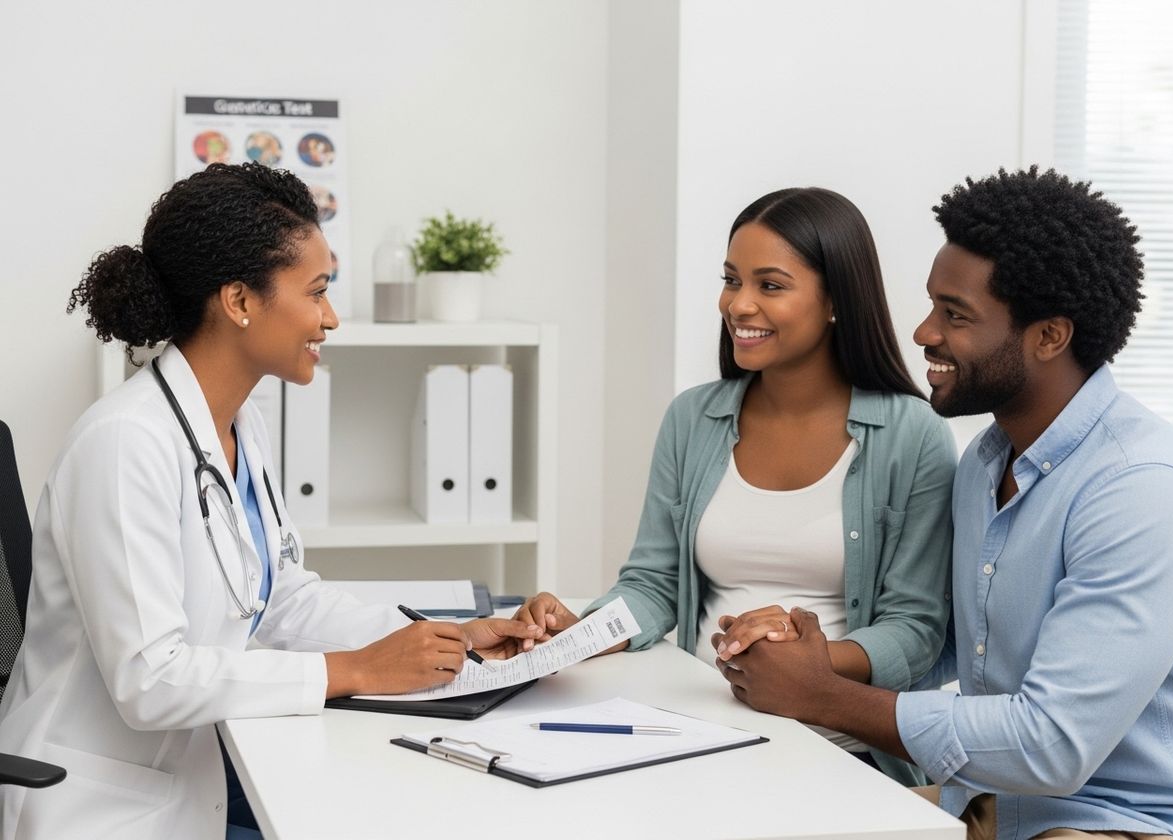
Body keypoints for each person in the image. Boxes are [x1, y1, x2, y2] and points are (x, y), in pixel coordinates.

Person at [0, 163, 539, 840]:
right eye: (316, 292)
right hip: (96, 807)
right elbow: (150, 679)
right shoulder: (124, 444)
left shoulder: (238, 427)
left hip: (192, 777)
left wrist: (443, 637)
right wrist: (354, 669)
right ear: (239, 300)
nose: (331, 318)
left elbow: (282, 601)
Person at [716, 167, 1173, 840]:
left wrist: (824, 695)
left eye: (956, 316)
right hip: (985, 807)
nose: (923, 333)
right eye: (932, 305)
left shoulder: (1142, 490)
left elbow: (1052, 743)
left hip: (1123, 823)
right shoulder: (984, 461)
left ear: (1049, 336)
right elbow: (961, 648)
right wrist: (814, 653)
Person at [518, 187, 957, 784]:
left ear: (835, 301)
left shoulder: (912, 435)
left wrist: (805, 665)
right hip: (689, 731)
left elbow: (915, 630)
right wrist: (582, 632)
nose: (739, 305)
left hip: (835, 750)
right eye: (732, 280)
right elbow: (652, 583)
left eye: (770, 285)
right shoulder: (693, 418)